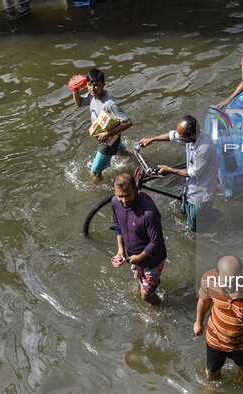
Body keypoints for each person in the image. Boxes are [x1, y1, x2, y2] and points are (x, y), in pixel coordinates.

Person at [138, 115, 218, 232]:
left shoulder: (203, 149)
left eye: (182, 137)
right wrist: (152, 139)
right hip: (190, 187)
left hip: (201, 193)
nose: (180, 138)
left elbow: (194, 173)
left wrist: (170, 170)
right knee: (186, 212)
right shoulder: (190, 135)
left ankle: (211, 223)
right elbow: (172, 135)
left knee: (198, 227)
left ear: (192, 135)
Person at [111, 174, 167, 305]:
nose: (124, 201)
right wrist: (120, 248)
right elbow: (117, 224)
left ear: (136, 190)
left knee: (146, 296)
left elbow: (156, 242)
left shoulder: (149, 212)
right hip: (134, 257)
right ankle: (153, 284)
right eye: (120, 196)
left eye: (128, 195)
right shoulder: (115, 202)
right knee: (144, 284)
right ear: (114, 192)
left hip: (152, 259)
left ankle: (160, 309)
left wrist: (139, 258)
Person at [71, 68, 133, 182]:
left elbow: (128, 122)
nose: (92, 88)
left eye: (96, 85)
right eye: (89, 85)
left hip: (108, 140)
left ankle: (97, 189)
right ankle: (142, 160)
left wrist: (107, 133)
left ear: (103, 85)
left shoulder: (110, 104)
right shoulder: (91, 96)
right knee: (122, 153)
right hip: (108, 135)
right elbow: (79, 103)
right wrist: (75, 90)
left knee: (94, 172)